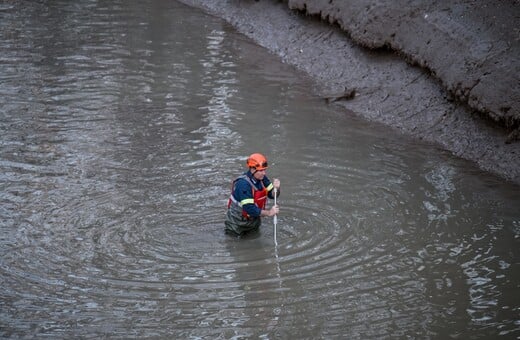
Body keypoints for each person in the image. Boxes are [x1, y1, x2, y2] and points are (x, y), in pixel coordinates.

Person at [225, 153, 280, 236]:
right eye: (261, 170)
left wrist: (277, 188)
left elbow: (272, 195)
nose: (264, 173)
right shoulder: (243, 184)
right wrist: (269, 213)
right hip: (236, 223)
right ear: (253, 169)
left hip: (254, 220)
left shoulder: (262, 178)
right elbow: (249, 208)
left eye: (264, 170)